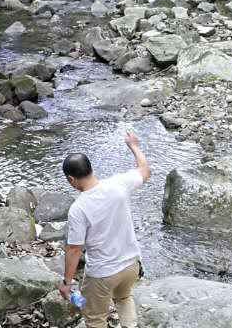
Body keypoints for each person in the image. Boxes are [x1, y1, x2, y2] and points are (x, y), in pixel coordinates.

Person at [58, 132, 151, 328]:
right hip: (131, 266)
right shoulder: (119, 184)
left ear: (71, 180)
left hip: (102, 274)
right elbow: (144, 170)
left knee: (94, 318)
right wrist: (133, 145)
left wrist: (66, 284)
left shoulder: (79, 208)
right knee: (124, 298)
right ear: (91, 169)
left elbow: (74, 249)